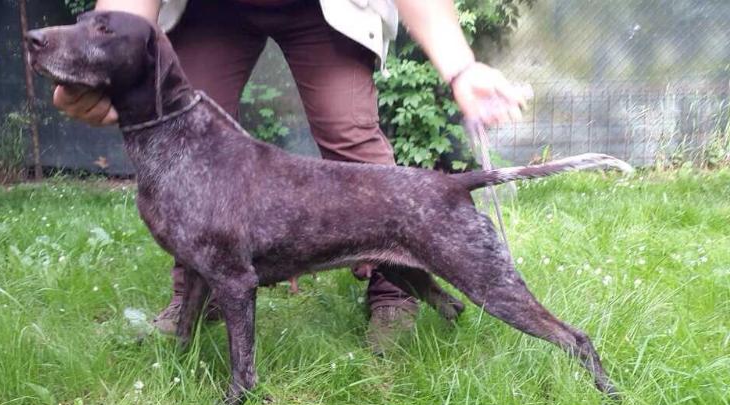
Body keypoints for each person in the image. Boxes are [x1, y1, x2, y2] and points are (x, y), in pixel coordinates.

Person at [53, 0, 528, 353]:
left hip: (322, 8)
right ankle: (199, 294)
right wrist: (102, 52)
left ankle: (394, 287)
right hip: (211, 8)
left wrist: (460, 66)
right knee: (182, 136)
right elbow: (124, 22)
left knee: (350, 135)